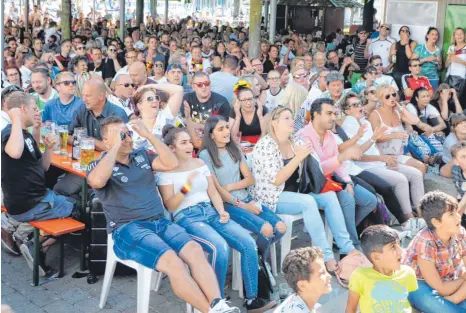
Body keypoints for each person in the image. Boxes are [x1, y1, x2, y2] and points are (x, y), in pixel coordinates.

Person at [87, 116, 240, 313]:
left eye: (128, 134)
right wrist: (115, 147)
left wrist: (149, 135)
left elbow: (171, 163)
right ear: (107, 141)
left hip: (159, 223)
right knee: (172, 261)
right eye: (120, 135)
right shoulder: (98, 165)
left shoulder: (141, 156)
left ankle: (217, 304)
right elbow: (97, 181)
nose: (127, 138)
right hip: (128, 229)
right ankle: (210, 311)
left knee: (194, 251)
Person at [157, 125, 277, 313]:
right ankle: (217, 302)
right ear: (172, 148)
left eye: (189, 141)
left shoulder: (199, 164)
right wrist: (186, 188)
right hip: (186, 217)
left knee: (248, 243)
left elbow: (212, 191)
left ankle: (252, 300)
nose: (190, 145)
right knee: (219, 247)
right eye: (183, 143)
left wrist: (222, 210)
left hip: (211, 211)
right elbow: (170, 206)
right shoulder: (166, 171)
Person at [251, 106, 360, 273]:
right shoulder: (266, 145)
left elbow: (317, 168)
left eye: (291, 117)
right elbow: (277, 180)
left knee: (329, 196)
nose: (291, 121)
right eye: (286, 118)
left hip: (297, 192)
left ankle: (347, 248)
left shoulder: (295, 141)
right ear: (274, 123)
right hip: (272, 196)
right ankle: (326, 257)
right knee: (308, 202)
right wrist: (298, 158)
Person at [2, 92, 76, 274]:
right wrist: (16, 118)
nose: (38, 112)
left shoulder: (24, 135)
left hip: (34, 199)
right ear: (23, 110)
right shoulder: (10, 133)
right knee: (79, 210)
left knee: (63, 195)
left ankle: (17, 228)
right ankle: (34, 243)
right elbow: (15, 152)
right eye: (34, 108)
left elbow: (41, 166)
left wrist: (48, 147)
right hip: (30, 204)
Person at [199, 116, 286, 259]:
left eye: (227, 127)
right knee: (267, 229)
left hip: (246, 198)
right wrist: (243, 206)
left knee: (281, 227)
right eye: (221, 129)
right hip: (228, 204)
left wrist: (229, 187)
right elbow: (217, 191)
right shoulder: (205, 155)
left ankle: (258, 257)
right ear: (211, 135)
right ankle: (261, 263)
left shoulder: (235, 149)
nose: (226, 131)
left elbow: (250, 180)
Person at [298, 98, 377, 246]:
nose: (334, 118)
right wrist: (341, 158)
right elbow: (316, 170)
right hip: (313, 183)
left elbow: (338, 165)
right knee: (347, 199)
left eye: (334, 113)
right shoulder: (304, 136)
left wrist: (348, 181)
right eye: (329, 113)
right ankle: (352, 244)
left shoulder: (331, 136)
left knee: (370, 201)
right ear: (315, 114)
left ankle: (339, 232)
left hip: (333, 180)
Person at [403, 191, 466, 313]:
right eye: (451, 214)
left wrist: (454, 298)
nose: (458, 217)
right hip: (419, 283)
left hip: (450, 279)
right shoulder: (425, 241)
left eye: (456, 211)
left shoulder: (460, 232)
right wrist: (463, 279)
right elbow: (440, 288)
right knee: (433, 302)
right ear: (436, 222)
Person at [346, 225, 418, 313]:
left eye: (399, 244)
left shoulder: (407, 272)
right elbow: (351, 309)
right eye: (393, 247)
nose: (401, 251)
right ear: (376, 257)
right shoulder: (360, 276)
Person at [368, 84, 430, 174]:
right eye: (387, 96)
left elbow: (415, 121)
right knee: (411, 172)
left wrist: (401, 108)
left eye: (393, 94)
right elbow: (375, 138)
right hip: (383, 156)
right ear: (380, 99)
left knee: (421, 167)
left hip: (399, 154)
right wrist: (394, 135)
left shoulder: (397, 112)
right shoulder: (375, 114)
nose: (392, 98)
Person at [68, 78, 128, 151]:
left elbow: (116, 148)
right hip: (85, 158)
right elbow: (68, 136)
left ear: (101, 96)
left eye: (88, 96)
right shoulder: (82, 109)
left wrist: (88, 140)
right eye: (83, 95)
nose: (84, 99)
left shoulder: (117, 114)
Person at [274, 247, 332, 313]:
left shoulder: (295, 299)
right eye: (321, 273)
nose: (329, 276)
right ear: (302, 286)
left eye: (326, 271)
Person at [445, 27, 466, 105]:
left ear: (464, 35)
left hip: (462, 79)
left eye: (461, 34)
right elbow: (446, 65)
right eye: (457, 34)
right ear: (454, 36)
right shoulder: (451, 48)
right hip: (450, 78)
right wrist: (450, 59)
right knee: (449, 100)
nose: (459, 36)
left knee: (458, 101)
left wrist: (461, 62)